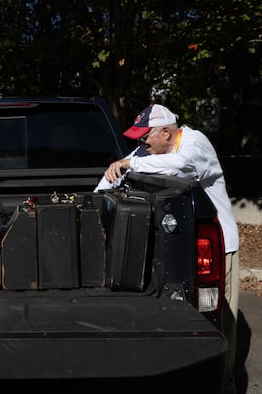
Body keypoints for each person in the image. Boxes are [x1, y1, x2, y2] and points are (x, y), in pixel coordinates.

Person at [95, 103, 240, 393]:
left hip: (215, 247)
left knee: (218, 320)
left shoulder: (195, 142)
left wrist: (130, 164)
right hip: (171, 247)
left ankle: (224, 382)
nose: (141, 143)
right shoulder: (147, 151)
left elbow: (180, 165)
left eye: (145, 136)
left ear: (166, 132)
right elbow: (111, 178)